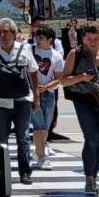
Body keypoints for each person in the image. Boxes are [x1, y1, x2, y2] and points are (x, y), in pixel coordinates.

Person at [0, 18, 40, 185]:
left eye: (6, 32)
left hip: (22, 99)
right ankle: (2, 172)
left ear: (14, 33)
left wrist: (36, 95)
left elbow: (33, 71)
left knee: (24, 137)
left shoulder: (25, 49)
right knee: (0, 138)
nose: (2, 35)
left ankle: (25, 172)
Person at [59, 23, 99, 197]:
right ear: (82, 38)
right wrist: (80, 77)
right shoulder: (75, 53)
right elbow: (63, 80)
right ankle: (88, 180)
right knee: (90, 139)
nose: (92, 42)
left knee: (98, 142)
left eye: (96, 39)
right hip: (83, 100)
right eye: (89, 38)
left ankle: (94, 179)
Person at [30, 25, 64, 170]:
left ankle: (39, 150)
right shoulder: (30, 51)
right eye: (37, 37)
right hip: (33, 93)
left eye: (41, 38)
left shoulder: (56, 56)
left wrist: (47, 87)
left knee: (45, 127)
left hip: (49, 94)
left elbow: (59, 78)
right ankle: (42, 156)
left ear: (50, 40)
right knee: (38, 126)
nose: (38, 40)